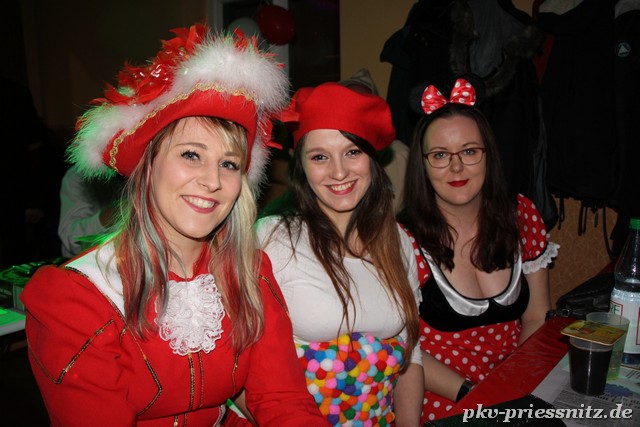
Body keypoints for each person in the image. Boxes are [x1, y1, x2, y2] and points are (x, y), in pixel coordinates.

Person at [20, 23, 327, 426]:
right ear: (148, 166)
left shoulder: (251, 272)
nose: (213, 181)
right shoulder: (75, 298)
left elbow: (283, 401)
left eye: (229, 164)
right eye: (191, 155)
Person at [255, 82, 425, 426]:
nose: (339, 172)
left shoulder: (399, 242)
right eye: (320, 157)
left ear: (372, 157)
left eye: (352, 152)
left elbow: (411, 356)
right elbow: (242, 361)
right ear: (300, 163)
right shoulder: (271, 239)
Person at [400, 78, 559, 423]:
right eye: (440, 155)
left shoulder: (522, 216)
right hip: (442, 400)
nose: (456, 167)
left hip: (515, 390)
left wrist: (513, 388)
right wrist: (476, 395)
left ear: (489, 155)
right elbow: (404, 348)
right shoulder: (401, 240)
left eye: (470, 151)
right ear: (422, 165)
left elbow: (536, 317)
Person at [58, 167, 123, 258]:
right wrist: (115, 212)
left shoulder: (126, 173)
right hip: (85, 262)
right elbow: (71, 237)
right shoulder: (76, 176)